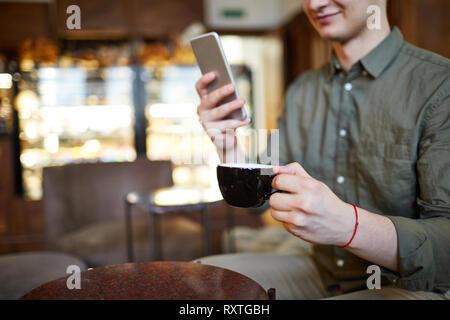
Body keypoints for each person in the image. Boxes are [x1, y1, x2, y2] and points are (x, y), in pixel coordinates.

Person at [194, 0, 449, 299]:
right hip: (323, 270)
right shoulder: (302, 92)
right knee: (195, 283)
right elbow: (262, 200)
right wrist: (228, 143)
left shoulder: (439, 85)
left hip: (406, 286)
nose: (315, 3)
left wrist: (348, 225)